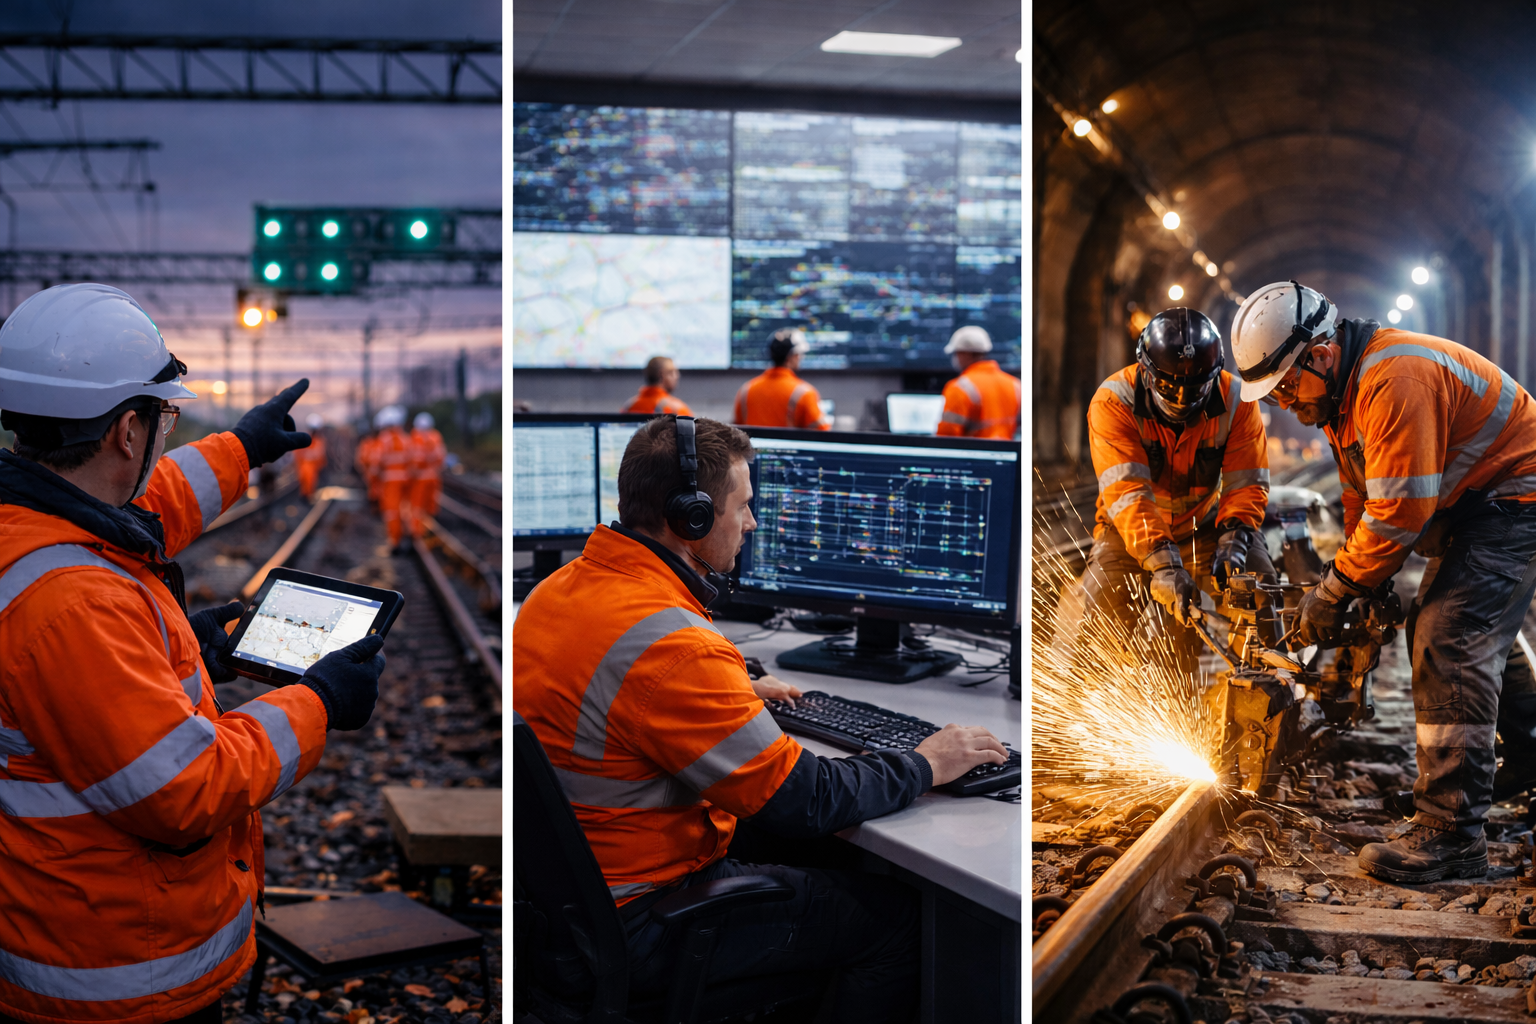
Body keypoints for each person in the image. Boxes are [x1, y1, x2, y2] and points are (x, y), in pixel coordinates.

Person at [513, 415, 1008, 1022]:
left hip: (567, 915)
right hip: (640, 919)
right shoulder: (678, 649)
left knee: (836, 861)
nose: (751, 522)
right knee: (897, 921)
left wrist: (733, 683)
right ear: (691, 517)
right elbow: (802, 800)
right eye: (742, 506)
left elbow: (620, 685)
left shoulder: (558, 592)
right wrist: (925, 762)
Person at [0, 283, 386, 1022]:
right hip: (113, 977)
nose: (165, 436)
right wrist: (320, 702)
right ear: (125, 432)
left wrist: (245, 447)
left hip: (78, 938)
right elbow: (183, 791)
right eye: (162, 417)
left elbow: (152, 505)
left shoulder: (30, 518)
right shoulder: (71, 602)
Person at [1234, 279, 1536, 883]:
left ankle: (1451, 833)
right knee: (1470, 625)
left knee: (1448, 631)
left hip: (1515, 493)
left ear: (1319, 354)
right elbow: (1361, 494)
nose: (1287, 403)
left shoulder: (1395, 378)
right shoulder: (1340, 394)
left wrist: (1337, 588)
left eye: (1288, 386)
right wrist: (1359, 579)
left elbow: (1399, 512)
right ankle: (1527, 757)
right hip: (1481, 502)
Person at [1054, 307, 1274, 674]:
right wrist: (1164, 564)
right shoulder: (1114, 401)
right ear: (1145, 369)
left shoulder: (1238, 400)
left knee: (1259, 598)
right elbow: (1129, 495)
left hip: (1207, 529)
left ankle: (1268, 690)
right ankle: (1086, 697)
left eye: (1196, 391)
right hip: (1130, 533)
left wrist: (1233, 544)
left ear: (1215, 373)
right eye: (1170, 389)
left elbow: (1246, 484)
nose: (1181, 401)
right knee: (1099, 619)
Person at [733, 329, 831, 430]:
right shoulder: (804, 393)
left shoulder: (746, 390)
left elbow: (737, 430)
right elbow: (822, 433)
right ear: (791, 357)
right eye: (799, 354)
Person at [935, 326, 1022, 440]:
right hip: (1006, 455)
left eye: (956, 353)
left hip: (971, 456)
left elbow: (946, 438)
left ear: (965, 354)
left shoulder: (958, 388)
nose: (955, 358)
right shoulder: (1015, 385)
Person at [373, 405, 412, 552]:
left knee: (392, 512)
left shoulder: (384, 440)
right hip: (406, 480)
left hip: (390, 482)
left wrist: (374, 479)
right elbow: (413, 461)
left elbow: (376, 463)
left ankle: (395, 541)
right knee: (406, 509)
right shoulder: (406, 439)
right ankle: (410, 537)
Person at [408, 411, 446, 538]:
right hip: (434, 477)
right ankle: (431, 529)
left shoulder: (416, 437)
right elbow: (441, 457)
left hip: (420, 478)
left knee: (418, 505)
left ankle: (418, 532)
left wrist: (412, 472)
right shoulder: (436, 436)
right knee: (431, 504)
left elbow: (417, 459)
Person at [624, 356, 693, 416]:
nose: (677, 376)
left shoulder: (628, 406)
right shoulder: (677, 409)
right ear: (661, 375)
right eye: (671, 372)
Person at [294, 412, 327, 501]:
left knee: (310, 483)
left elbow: (320, 457)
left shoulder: (318, 442)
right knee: (307, 483)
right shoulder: (306, 440)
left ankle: (307, 496)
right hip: (306, 467)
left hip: (310, 467)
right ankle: (306, 497)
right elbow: (298, 454)